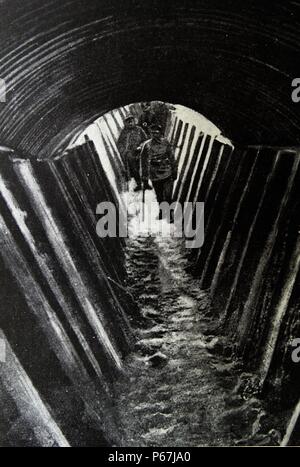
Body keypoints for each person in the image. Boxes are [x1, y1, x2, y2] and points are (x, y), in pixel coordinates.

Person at [140, 124, 178, 221]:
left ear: (160, 133)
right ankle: (162, 211)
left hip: (167, 172)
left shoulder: (166, 143)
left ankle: (170, 214)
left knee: (168, 195)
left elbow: (172, 157)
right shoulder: (146, 145)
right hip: (155, 174)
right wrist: (144, 177)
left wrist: (174, 171)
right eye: (152, 133)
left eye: (156, 133)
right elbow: (143, 162)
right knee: (159, 195)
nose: (155, 135)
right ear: (150, 134)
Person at [117, 115, 147, 191]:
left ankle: (146, 184)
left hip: (140, 152)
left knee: (144, 168)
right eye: (128, 121)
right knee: (134, 170)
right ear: (126, 123)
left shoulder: (139, 129)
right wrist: (124, 151)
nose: (130, 123)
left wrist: (141, 146)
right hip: (131, 154)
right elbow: (119, 143)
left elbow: (146, 140)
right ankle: (139, 184)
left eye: (131, 121)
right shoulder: (124, 132)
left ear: (134, 121)